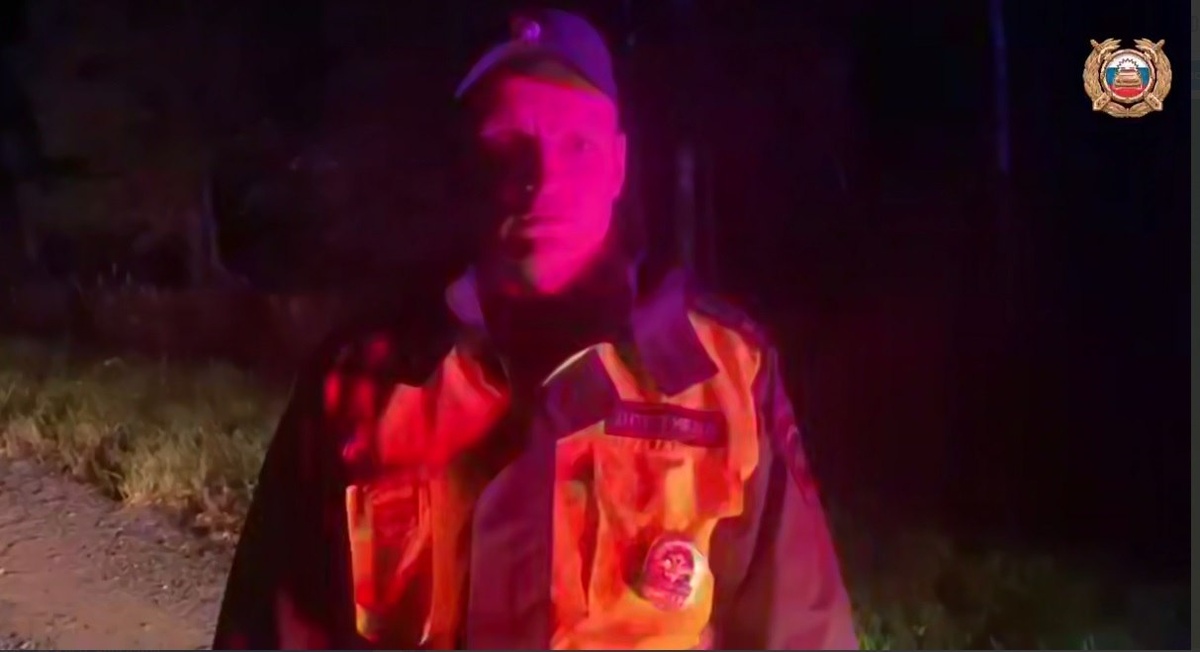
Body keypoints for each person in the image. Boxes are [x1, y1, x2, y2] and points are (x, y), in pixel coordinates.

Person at [212, 8, 858, 650]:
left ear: (618, 164)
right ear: (467, 165)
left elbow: (800, 633)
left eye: (577, 145)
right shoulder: (359, 381)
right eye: (506, 145)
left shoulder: (727, 376)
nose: (541, 180)